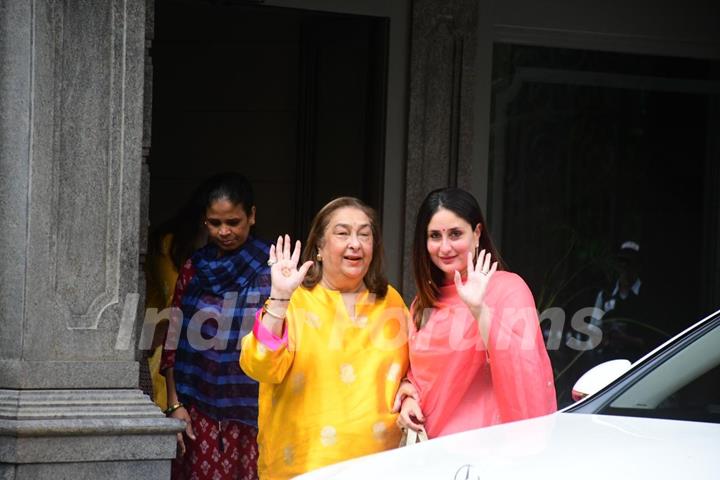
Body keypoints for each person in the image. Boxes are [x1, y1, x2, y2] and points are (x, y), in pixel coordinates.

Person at [239, 197, 409, 479]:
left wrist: (410, 391)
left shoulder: (390, 301)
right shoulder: (294, 300)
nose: (355, 243)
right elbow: (259, 366)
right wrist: (279, 297)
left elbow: (415, 369)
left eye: (364, 234)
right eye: (342, 233)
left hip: (379, 467)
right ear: (319, 245)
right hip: (304, 468)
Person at [396, 187, 556, 439]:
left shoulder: (508, 289)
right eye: (435, 236)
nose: (445, 247)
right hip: (431, 450)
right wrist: (407, 396)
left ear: (477, 233)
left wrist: (479, 310)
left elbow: (525, 371)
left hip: (485, 452)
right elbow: (418, 373)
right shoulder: (422, 302)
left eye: (455, 234)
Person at [161, 173, 270, 480]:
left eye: (233, 222)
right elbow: (174, 337)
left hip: (254, 413)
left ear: (251, 216)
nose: (224, 231)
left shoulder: (272, 268)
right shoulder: (194, 267)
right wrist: (174, 404)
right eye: (214, 223)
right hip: (198, 411)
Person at [143, 187, 207, 411]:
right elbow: (175, 304)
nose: (225, 232)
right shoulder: (168, 243)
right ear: (203, 218)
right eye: (216, 222)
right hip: (161, 336)